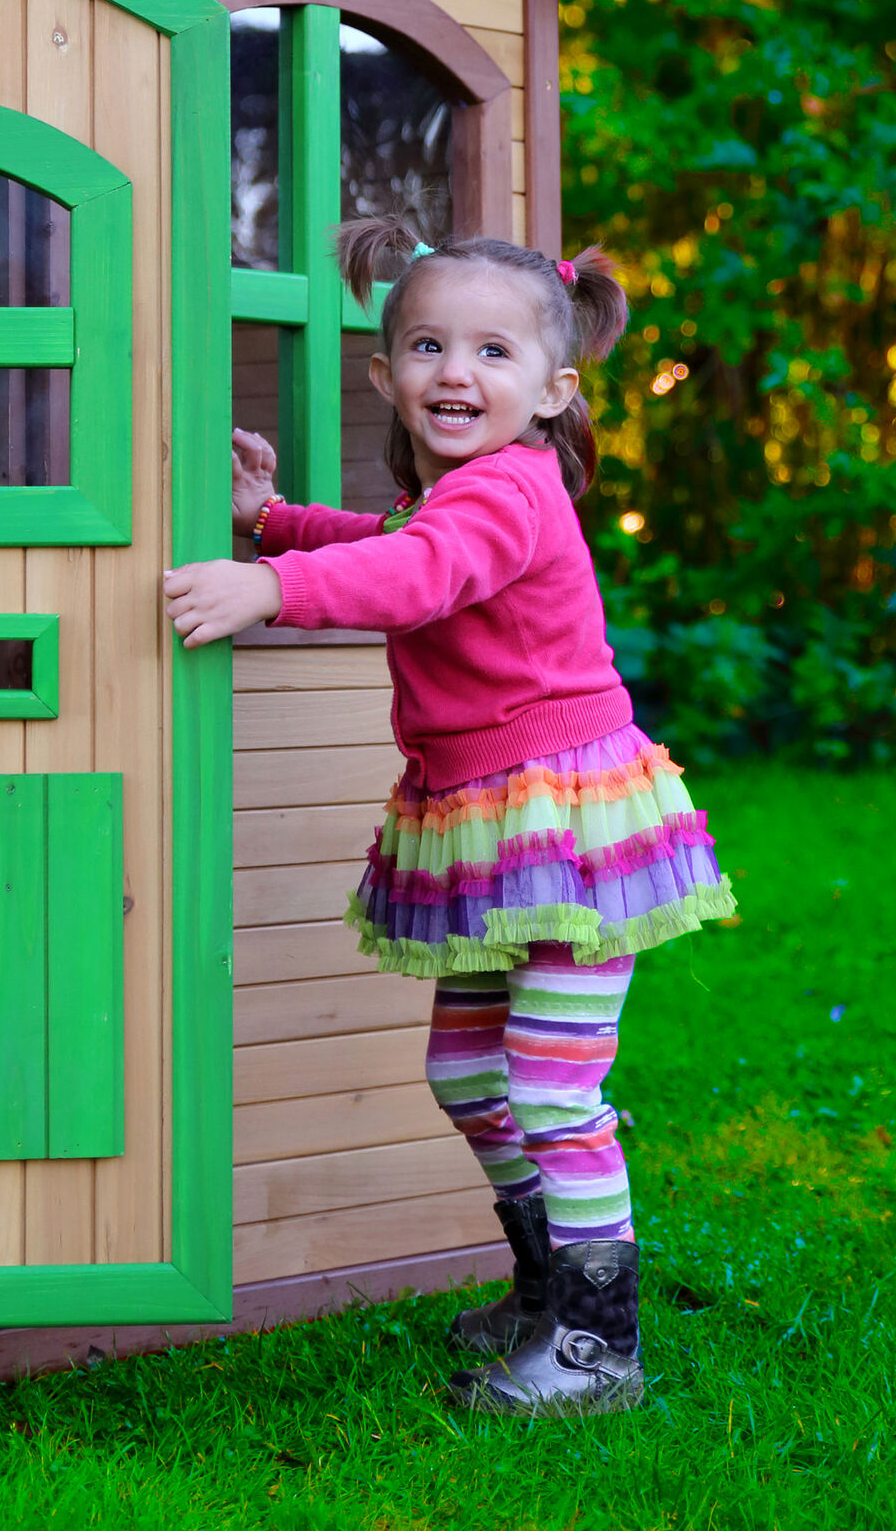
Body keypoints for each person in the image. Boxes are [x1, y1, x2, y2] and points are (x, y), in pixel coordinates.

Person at [162, 219, 737, 1416]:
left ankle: (596, 1348)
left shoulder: (513, 490)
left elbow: (417, 576)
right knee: (464, 1067)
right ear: (386, 373)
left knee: (549, 1087)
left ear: (549, 392)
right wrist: (274, 520)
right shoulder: (462, 495)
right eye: (427, 344)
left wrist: (269, 585)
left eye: (490, 350)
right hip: (489, 821)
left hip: (564, 829)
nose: (454, 371)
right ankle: (544, 1289)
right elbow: (396, 544)